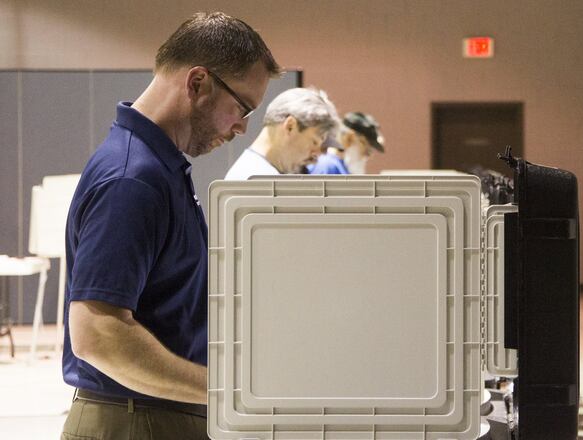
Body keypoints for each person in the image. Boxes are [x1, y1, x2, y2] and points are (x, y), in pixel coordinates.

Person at [61, 12, 279, 440]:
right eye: (242, 108)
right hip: (134, 419)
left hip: (153, 414)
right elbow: (97, 336)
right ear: (198, 82)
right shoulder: (132, 179)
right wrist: (226, 390)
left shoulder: (160, 169)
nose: (240, 127)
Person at [225, 87, 340, 178]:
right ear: (290, 126)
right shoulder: (255, 181)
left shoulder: (259, 174)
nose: (317, 155)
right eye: (314, 142)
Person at [309, 111, 385, 175]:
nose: (368, 156)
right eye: (368, 151)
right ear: (350, 138)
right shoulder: (328, 166)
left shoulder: (339, 167)